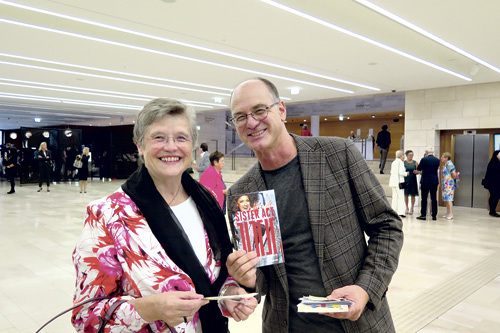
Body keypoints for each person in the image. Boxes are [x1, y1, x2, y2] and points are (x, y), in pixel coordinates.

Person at [226, 78, 403, 333]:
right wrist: (248, 280)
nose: (251, 122)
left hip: (359, 324)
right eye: (240, 116)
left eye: (259, 110)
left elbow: (387, 227)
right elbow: (263, 277)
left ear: (282, 110)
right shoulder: (243, 194)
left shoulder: (338, 154)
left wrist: (366, 288)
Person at [72, 98, 257, 333]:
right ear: (139, 145)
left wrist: (229, 292)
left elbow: (213, 275)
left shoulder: (207, 199)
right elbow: (85, 317)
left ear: (192, 146)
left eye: (181, 137)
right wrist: (149, 309)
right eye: (158, 137)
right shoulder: (107, 215)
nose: (171, 147)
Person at [416, 147, 440, 221]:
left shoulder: (424, 159)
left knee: (424, 198)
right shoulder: (437, 160)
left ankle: (423, 214)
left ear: (426, 152)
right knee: (434, 198)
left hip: (425, 181)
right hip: (434, 181)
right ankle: (434, 215)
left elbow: (419, 168)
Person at [389, 150, 409, 217]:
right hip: (399, 182)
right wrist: (406, 173)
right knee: (400, 197)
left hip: (393, 182)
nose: (404, 157)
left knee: (394, 197)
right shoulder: (400, 162)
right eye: (403, 155)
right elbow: (401, 172)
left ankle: (394, 211)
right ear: (401, 156)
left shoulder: (394, 162)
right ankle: (401, 212)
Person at [440, 152, 458, 220]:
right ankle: (447, 213)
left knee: (449, 199)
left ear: (446, 158)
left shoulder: (450, 164)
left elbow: (453, 174)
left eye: (443, 157)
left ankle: (450, 214)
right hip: (445, 184)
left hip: (449, 184)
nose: (441, 158)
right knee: (446, 199)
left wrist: (450, 181)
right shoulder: (444, 164)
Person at [482, 150, 500, 217]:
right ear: (496, 155)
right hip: (493, 184)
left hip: (496, 184)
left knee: (496, 196)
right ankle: (492, 211)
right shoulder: (493, 163)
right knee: (493, 196)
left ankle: (493, 210)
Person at [404, 150, 419, 215]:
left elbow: (419, 171)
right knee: (406, 194)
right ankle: (406, 207)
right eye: (410, 155)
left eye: (412, 155)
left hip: (413, 180)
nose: (411, 156)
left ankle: (412, 207)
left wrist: (417, 172)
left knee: (413, 194)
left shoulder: (415, 162)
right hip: (405, 180)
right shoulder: (403, 162)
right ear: (407, 155)